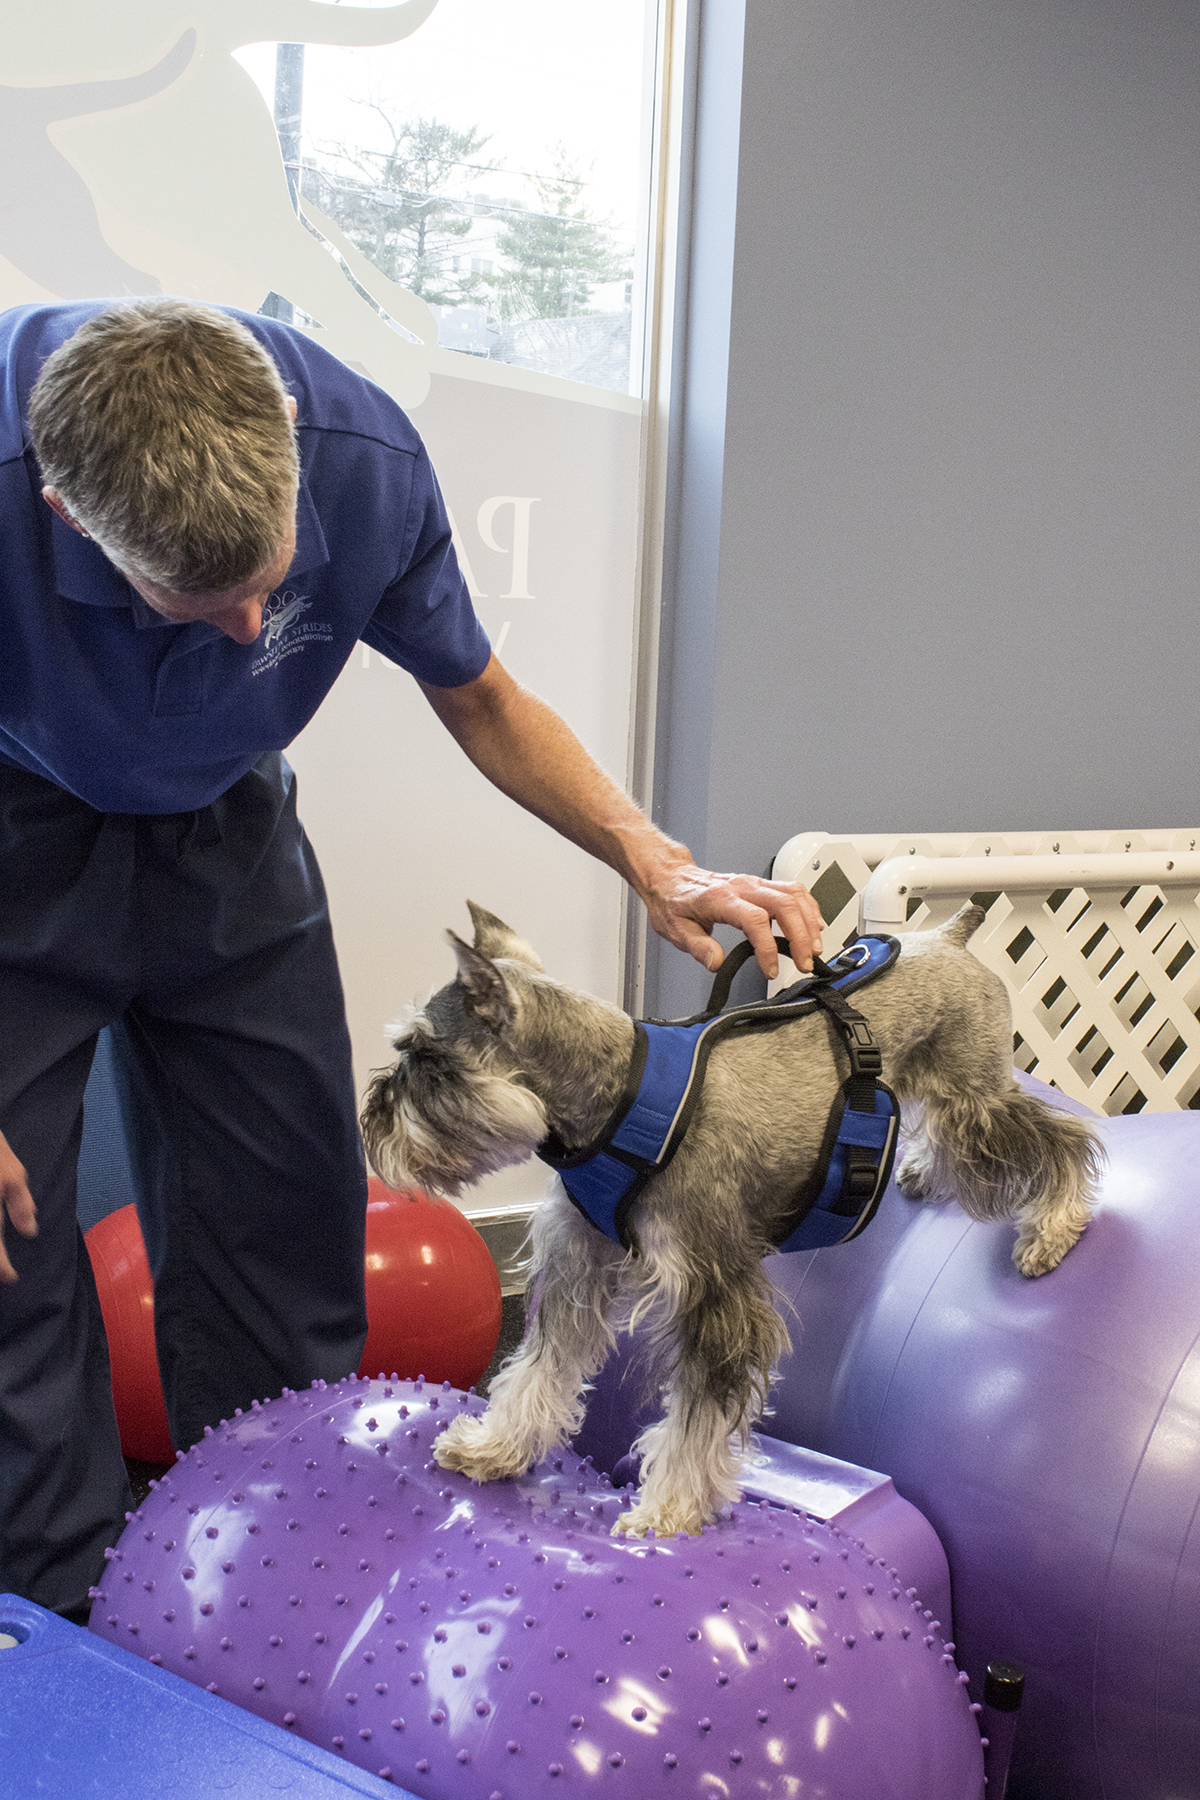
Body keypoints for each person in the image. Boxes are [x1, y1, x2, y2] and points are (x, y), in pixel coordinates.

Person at [0, 297, 822, 1621]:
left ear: (281, 433)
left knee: (286, 1223)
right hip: (12, 825)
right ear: (62, 512)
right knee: (8, 1264)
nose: (254, 623)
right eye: (202, 605)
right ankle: (57, 1636)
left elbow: (482, 695)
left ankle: (271, 1593)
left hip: (226, 828)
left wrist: (651, 855)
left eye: (274, 579)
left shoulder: (358, 452)